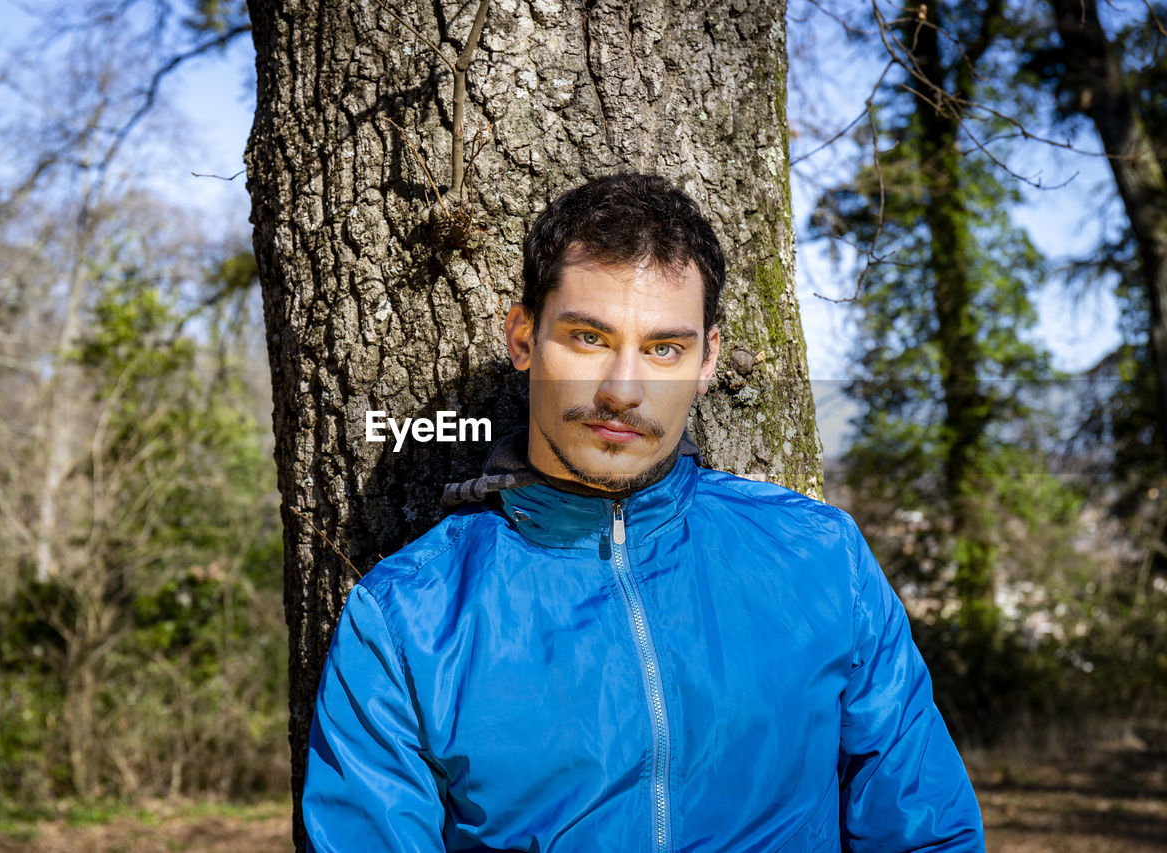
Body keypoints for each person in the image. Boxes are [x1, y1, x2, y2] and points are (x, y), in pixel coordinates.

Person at [302, 173, 985, 851]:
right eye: (589, 338)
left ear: (707, 359)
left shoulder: (822, 559)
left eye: (664, 349)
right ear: (522, 337)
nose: (623, 390)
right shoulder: (404, 620)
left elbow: (926, 832)